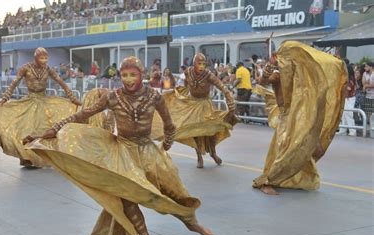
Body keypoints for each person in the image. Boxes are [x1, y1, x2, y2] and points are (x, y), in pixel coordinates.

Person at [24, 56, 213, 235]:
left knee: (175, 192)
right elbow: (83, 114)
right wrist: (55, 128)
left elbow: (169, 125)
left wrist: (167, 143)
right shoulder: (113, 97)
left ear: (142, 75)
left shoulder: (154, 97)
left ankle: (192, 224)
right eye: (124, 75)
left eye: (133, 74)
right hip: (123, 152)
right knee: (128, 197)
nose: (129, 79)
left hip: (149, 152)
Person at [252, 41, 347, 195]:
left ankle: (292, 177)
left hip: (301, 115)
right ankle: (268, 181)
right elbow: (262, 82)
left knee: (310, 146)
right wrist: (265, 72)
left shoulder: (299, 73)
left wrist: (335, 64)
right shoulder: (277, 73)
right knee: (284, 150)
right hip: (286, 117)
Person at [0, 47, 81, 168]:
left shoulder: (48, 69)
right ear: (36, 58)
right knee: (27, 129)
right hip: (30, 101)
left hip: (44, 101)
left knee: (46, 129)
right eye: (42, 58)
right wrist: (4, 99)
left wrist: (72, 98)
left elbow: (61, 82)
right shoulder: (26, 68)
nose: (44, 60)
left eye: (46, 58)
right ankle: (27, 157)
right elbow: (14, 83)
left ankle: (45, 156)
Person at [151, 53, 237, 168]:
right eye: (199, 63)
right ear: (194, 63)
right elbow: (186, 83)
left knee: (210, 131)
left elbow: (221, 86)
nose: (201, 66)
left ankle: (213, 153)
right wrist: (185, 93)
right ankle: (199, 157)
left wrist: (228, 94)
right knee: (194, 131)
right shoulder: (188, 72)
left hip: (205, 105)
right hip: (193, 103)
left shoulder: (208, 75)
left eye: (203, 63)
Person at [337, 62, 356, 136]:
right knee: (344, 114)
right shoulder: (348, 78)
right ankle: (343, 130)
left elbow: (348, 89)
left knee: (348, 114)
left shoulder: (350, 79)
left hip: (349, 98)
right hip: (346, 98)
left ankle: (352, 131)